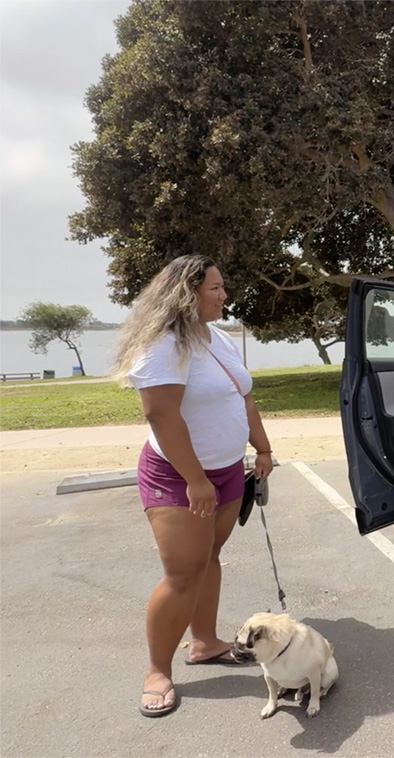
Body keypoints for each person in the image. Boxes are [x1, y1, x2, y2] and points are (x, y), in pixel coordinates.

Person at [111, 255, 274, 717]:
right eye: (214, 289)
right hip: (180, 477)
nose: (224, 295)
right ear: (187, 294)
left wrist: (261, 449)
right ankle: (157, 671)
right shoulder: (162, 346)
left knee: (209, 559)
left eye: (223, 286)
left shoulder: (217, 338)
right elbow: (161, 415)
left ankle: (204, 642)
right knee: (183, 574)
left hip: (225, 471)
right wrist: (195, 480)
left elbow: (243, 398)